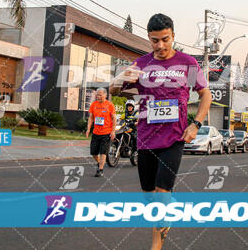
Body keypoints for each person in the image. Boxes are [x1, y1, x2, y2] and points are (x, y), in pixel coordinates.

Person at [110, 13, 211, 250]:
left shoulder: (188, 63)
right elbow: (113, 90)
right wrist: (121, 77)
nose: (161, 45)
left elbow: (205, 94)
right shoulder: (142, 64)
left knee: (160, 192)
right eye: (155, 40)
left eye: (165, 39)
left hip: (174, 138)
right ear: (149, 39)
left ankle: (155, 247)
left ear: (173, 36)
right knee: (149, 197)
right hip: (145, 139)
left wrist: (195, 124)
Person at [86, 88, 116, 177]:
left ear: (105, 95)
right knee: (94, 153)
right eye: (97, 95)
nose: (98, 96)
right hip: (96, 132)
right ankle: (99, 163)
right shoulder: (93, 105)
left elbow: (114, 118)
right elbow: (91, 117)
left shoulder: (110, 105)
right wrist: (88, 129)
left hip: (106, 133)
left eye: (100, 95)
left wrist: (113, 131)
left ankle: (101, 169)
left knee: (103, 152)